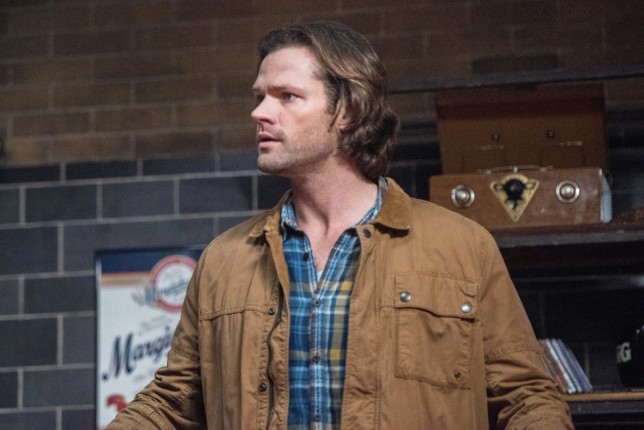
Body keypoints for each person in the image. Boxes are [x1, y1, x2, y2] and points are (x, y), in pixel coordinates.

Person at [107, 21, 573, 429]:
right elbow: (172, 402)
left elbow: (526, 397)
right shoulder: (224, 261)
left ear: (347, 111)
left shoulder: (461, 247)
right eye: (260, 96)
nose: (259, 112)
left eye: (287, 96)